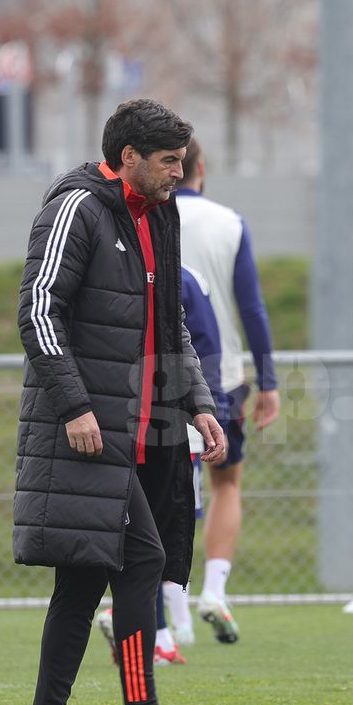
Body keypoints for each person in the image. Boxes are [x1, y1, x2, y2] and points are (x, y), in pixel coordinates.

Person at [13, 98, 229, 705]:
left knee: (83, 582)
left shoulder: (160, 212)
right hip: (85, 430)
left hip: (140, 432)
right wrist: (76, 407)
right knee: (141, 560)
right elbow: (38, 312)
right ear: (128, 156)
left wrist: (196, 402)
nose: (179, 172)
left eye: (182, 161)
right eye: (169, 161)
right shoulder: (77, 207)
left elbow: (170, 323)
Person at [175, 138, 280, 644]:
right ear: (202, 168)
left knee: (164, 493)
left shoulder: (139, 216)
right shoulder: (228, 222)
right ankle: (214, 589)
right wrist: (269, 381)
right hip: (221, 374)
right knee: (226, 482)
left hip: (152, 374)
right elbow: (251, 307)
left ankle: (171, 612)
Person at [97, 264, 227, 665]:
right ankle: (158, 634)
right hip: (162, 427)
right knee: (159, 537)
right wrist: (211, 406)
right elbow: (207, 345)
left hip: (128, 419)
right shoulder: (182, 275)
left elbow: (186, 341)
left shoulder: (158, 271)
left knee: (145, 539)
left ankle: (163, 632)